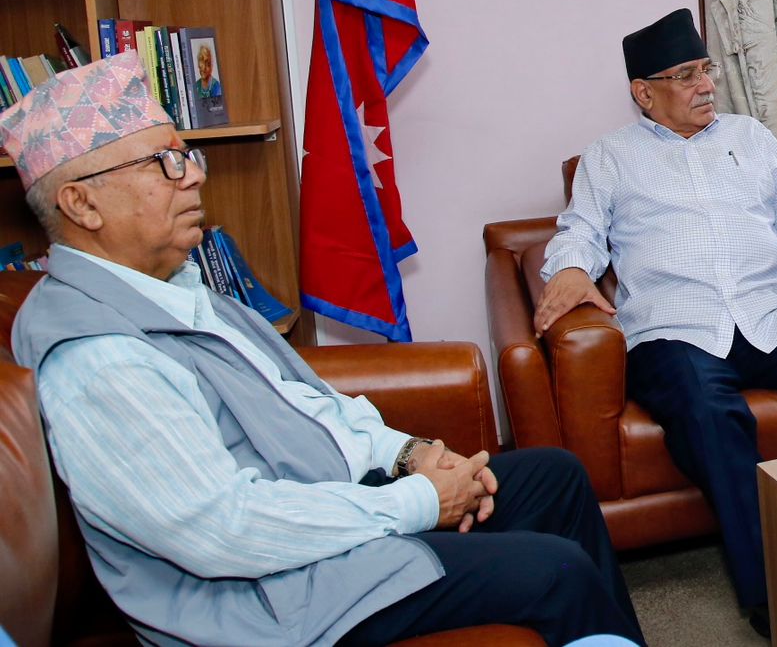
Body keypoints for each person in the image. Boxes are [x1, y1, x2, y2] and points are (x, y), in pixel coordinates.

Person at [0, 53, 643, 647]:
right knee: (556, 571)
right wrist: (419, 500)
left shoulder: (176, 287)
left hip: (322, 515)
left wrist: (410, 455)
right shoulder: (98, 357)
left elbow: (308, 406)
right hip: (267, 594)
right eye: (163, 163)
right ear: (81, 203)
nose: (193, 175)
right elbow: (222, 530)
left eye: (186, 154)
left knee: (555, 478)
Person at [536, 7, 777, 637]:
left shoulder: (749, 136)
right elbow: (581, 232)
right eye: (687, 75)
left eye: (707, 70)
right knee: (710, 413)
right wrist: (569, 268)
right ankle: (776, 592)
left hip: (766, 314)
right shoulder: (610, 158)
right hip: (674, 327)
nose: (706, 85)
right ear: (644, 93)